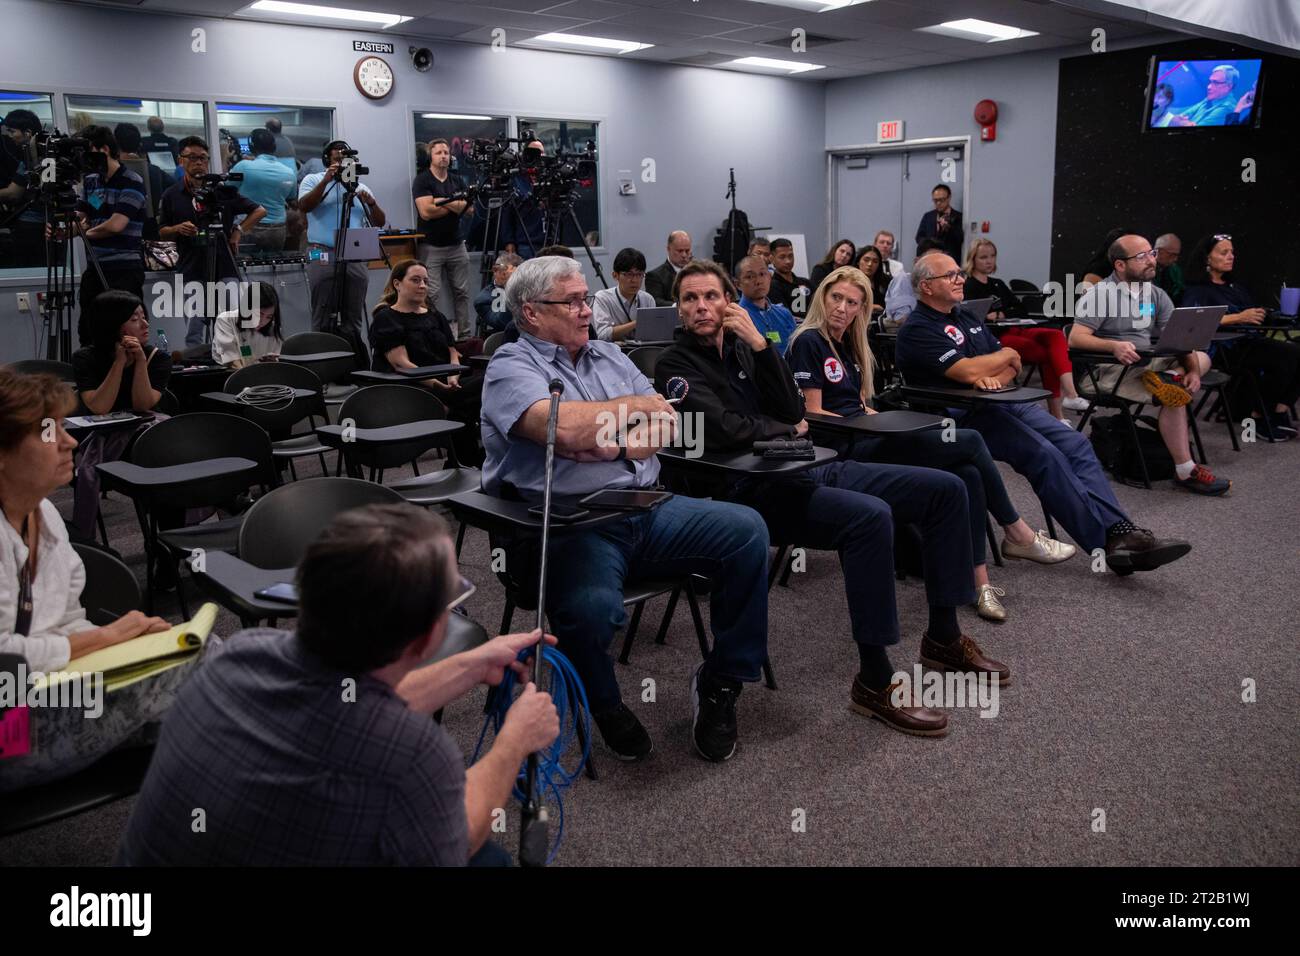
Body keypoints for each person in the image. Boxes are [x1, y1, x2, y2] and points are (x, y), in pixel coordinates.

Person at [654, 259, 1009, 736]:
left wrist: (761, 347)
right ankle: (875, 680)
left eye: (711, 297)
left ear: (729, 303)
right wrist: (785, 427)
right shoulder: (674, 365)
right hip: (750, 492)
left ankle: (943, 636)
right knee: (870, 518)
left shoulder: (746, 351)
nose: (701, 307)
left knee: (945, 490)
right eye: (690, 299)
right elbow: (723, 431)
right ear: (679, 310)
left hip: (807, 466)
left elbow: (791, 406)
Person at [117, 503, 560, 865]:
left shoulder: (239, 653)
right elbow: (456, 841)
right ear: (429, 637)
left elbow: (339, 707)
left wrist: (468, 666)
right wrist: (513, 743)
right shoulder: (414, 757)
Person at [482, 256, 772, 762]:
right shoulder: (510, 366)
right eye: (571, 302)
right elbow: (562, 430)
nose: (585, 310)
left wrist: (603, 437)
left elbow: (665, 421)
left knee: (747, 530)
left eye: (584, 298)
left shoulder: (608, 355)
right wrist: (621, 432)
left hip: (645, 507)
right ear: (531, 313)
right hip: (571, 525)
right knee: (593, 611)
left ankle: (721, 681)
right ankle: (605, 702)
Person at [786, 265, 1075, 623]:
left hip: (866, 433)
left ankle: (979, 584)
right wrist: (871, 425)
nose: (843, 308)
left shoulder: (847, 345)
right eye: (837, 298)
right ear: (822, 297)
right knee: (968, 440)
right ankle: (1016, 530)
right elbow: (813, 415)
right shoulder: (810, 341)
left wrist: (879, 418)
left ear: (862, 309)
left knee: (967, 471)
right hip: (843, 447)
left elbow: (858, 405)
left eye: (853, 302)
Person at [896, 251, 1191, 574]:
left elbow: (1013, 364)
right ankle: (1107, 543)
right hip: (960, 416)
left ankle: (1121, 532)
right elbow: (967, 371)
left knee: (1075, 443)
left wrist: (997, 369)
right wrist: (996, 362)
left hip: (1001, 400)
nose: (960, 279)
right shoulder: (917, 329)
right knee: (1044, 455)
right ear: (926, 286)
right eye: (949, 275)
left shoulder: (965, 316)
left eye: (958, 273)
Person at [0, 370, 172, 792]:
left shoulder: (46, 515)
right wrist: (106, 638)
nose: (69, 442)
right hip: (9, 732)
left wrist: (130, 649)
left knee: (198, 663)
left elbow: (68, 619)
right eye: (48, 432)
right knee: (201, 695)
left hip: (45, 697)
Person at [1071, 234, 1233, 494]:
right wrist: (1114, 345)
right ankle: (1185, 469)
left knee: (1202, 357)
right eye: (1141, 256)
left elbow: (1179, 337)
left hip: (1147, 362)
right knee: (1174, 394)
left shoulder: (1155, 294)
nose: (1151, 261)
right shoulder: (1100, 294)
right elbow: (1075, 338)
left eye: (1152, 254)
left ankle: (1171, 376)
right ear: (1120, 265)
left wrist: (1191, 369)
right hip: (1109, 369)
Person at [69, 291, 172, 539]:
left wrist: (138, 363)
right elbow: (99, 407)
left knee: (170, 454)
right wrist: (118, 363)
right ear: (114, 325)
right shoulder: (85, 358)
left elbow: (143, 403)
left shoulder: (159, 358)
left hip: (145, 432)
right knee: (160, 460)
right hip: (102, 438)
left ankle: (169, 542)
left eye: (144, 316)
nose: (145, 324)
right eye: (135, 319)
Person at [1182, 234, 1300, 440]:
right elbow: (1192, 321)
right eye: (1224, 252)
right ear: (1207, 258)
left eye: (1232, 252)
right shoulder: (1197, 289)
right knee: (1287, 355)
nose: (1231, 257)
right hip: (1223, 348)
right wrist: (1239, 317)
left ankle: (1279, 410)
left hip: (1247, 341)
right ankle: (1258, 416)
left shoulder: (1234, 286)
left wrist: (1262, 314)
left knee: (1293, 353)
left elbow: (1248, 312)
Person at [157, 136, 266, 347]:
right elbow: (162, 232)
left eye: (203, 158)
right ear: (181, 160)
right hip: (191, 268)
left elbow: (259, 210)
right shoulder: (172, 194)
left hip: (225, 266)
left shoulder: (222, 192)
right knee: (195, 329)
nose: (198, 163)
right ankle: (198, 370)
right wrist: (178, 229)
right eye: (192, 157)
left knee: (233, 323)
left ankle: (233, 367)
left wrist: (238, 231)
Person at [370, 260, 482, 465]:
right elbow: (401, 364)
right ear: (397, 284)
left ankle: (463, 460)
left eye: (425, 281)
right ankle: (468, 459)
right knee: (463, 405)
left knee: (490, 381)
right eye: (415, 280)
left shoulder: (435, 315)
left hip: (446, 381)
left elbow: (453, 353)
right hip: (413, 386)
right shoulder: (386, 318)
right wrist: (438, 384)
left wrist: (452, 377)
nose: (422, 285)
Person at [963, 238, 1086, 422]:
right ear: (973, 259)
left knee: (1055, 335)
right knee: (1047, 355)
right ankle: (1059, 414)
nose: (989, 261)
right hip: (997, 336)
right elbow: (971, 315)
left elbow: (1019, 308)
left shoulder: (998, 283)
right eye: (983, 257)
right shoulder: (968, 285)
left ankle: (1071, 394)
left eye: (992, 256)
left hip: (1015, 327)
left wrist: (1002, 313)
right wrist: (995, 314)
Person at [298, 140, 386, 364]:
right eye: (336, 158)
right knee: (323, 311)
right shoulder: (313, 179)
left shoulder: (360, 186)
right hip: (322, 251)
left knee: (353, 314)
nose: (341, 163)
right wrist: (327, 180)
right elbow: (305, 206)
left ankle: (352, 364)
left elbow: (380, 222)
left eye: (345, 159)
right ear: (327, 160)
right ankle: (321, 363)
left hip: (353, 252)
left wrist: (372, 204)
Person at [63, 126, 147, 343]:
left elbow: (115, 225)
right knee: (89, 332)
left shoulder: (132, 181)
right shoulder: (92, 182)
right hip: (95, 268)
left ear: (105, 149)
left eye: (87, 152)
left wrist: (83, 232)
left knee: (126, 333)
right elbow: (83, 218)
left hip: (124, 270)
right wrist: (62, 232)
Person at [413, 138, 473, 338]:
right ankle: (435, 335)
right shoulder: (422, 180)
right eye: (439, 152)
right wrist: (454, 204)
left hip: (457, 244)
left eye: (446, 152)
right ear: (431, 156)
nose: (444, 156)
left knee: (462, 292)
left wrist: (439, 201)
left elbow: (469, 209)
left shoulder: (457, 180)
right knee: (431, 294)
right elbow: (426, 213)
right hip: (431, 246)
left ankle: (464, 335)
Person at [231, 128, 295, 253]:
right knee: (272, 270)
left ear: (251, 147)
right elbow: (291, 199)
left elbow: (226, 189)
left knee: (244, 269)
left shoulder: (243, 166)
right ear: (274, 147)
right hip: (278, 230)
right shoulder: (289, 172)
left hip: (248, 227)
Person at [0, 109, 46, 267]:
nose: (10, 136)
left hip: (31, 227)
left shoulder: (33, 161)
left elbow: (13, 194)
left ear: (28, 133)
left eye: (13, 131)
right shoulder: (33, 157)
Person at [211, 281, 283, 368]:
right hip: (227, 375)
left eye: (269, 317)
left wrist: (272, 362)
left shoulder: (273, 328)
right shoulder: (226, 320)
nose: (262, 321)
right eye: (259, 314)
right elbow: (233, 362)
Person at [735, 254, 797, 355]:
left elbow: (796, 351)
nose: (758, 281)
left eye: (762, 274)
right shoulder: (738, 318)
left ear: (769, 277)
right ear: (737, 284)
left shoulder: (784, 314)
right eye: (750, 276)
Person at [590, 247, 654, 342]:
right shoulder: (603, 298)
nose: (635, 280)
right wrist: (638, 323)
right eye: (629, 274)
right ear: (615, 275)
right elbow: (602, 335)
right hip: (614, 352)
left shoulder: (647, 299)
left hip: (643, 350)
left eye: (639, 274)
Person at [113, 122, 174, 221]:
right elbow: (174, 186)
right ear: (139, 144)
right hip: (151, 227)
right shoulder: (155, 170)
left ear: (115, 144)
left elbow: (97, 201)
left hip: (119, 226)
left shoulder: (112, 172)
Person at [883, 238, 945, 326]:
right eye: (931, 261)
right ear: (916, 262)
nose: (936, 266)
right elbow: (901, 319)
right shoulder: (904, 280)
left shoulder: (942, 284)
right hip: (911, 334)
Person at [1165, 64, 1240, 128]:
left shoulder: (1227, 108)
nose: (1209, 87)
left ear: (1229, 86)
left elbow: (1197, 131)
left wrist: (1180, 122)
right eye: (1210, 82)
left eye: (1216, 83)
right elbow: (1182, 116)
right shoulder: (1212, 98)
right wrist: (1181, 122)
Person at [474, 252, 521, 336]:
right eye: (495, 269)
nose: (497, 273)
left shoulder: (529, 288)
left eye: (501, 269)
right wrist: (511, 286)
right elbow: (501, 323)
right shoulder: (483, 300)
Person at [915, 184, 962, 261]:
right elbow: (919, 238)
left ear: (949, 198)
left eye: (942, 200)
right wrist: (931, 247)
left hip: (950, 261)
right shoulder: (928, 216)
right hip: (930, 259)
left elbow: (960, 239)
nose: (938, 203)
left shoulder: (958, 217)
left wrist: (949, 228)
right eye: (935, 200)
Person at [644, 230, 692, 305]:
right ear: (668, 249)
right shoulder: (655, 276)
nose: (684, 255)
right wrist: (680, 306)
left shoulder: (696, 273)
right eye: (680, 251)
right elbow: (654, 302)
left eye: (687, 251)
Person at [768, 237, 812, 319]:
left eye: (790, 256)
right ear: (772, 259)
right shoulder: (772, 286)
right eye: (782, 257)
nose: (788, 261)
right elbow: (784, 316)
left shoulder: (805, 282)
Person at [855, 246, 888, 318]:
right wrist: (870, 307)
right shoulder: (850, 280)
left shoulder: (886, 280)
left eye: (875, 261)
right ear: (858, 261)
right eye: (866, 260)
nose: (870, 264)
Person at [1154, 233, 1184, 305]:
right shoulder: (1143, 269)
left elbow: (1180, 292)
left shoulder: (1175, 270)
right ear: (1159, 251)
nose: (1175, 259)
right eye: (1172, 255)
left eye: (1177, 255)